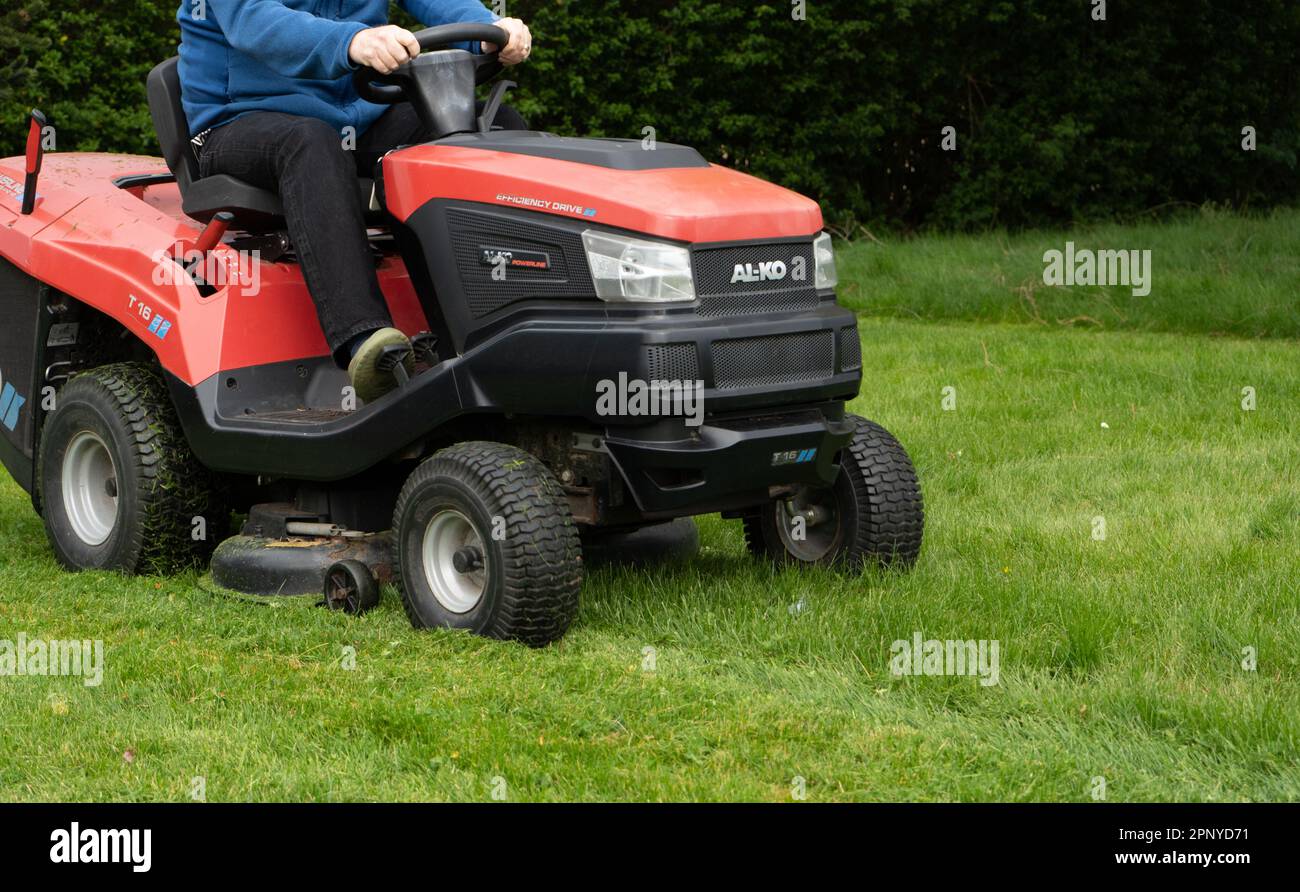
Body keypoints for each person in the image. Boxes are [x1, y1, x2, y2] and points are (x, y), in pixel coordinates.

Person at [177, 1, 532, 401]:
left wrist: (489, 28)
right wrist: (353, 41)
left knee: (493, 126)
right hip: (238, 122)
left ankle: (504, 315)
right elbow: (254, 21)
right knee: (310, 142)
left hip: (354, 119)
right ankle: (364, 340)